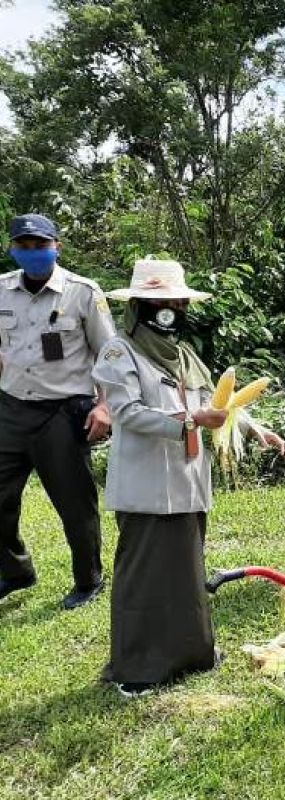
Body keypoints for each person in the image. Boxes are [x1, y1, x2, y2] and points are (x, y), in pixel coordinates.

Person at [94, 258, 285, 697]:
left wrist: (256, 428)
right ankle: (139, 667)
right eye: (162, 301)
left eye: (178, 301)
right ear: (141, 305)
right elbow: (127, 413)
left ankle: (190, 654)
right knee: (144, 575)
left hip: (187, 481)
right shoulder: (119, 351)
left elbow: (219, 406)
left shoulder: (185, 356)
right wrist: (188, 419)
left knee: (185, 572)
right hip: (146, 486)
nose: (172, 308)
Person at [0, 213, 115, 609]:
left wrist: (105, 406)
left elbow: (110, 355)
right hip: (11, 410)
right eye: (24, 247)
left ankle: (89, 580)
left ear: (56, 247)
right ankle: (16, 571)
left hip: (63, 413)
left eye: (40, 246)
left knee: (74, 503)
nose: (32, 253)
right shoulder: (1, 290)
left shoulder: (82, 292)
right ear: (13, 248)